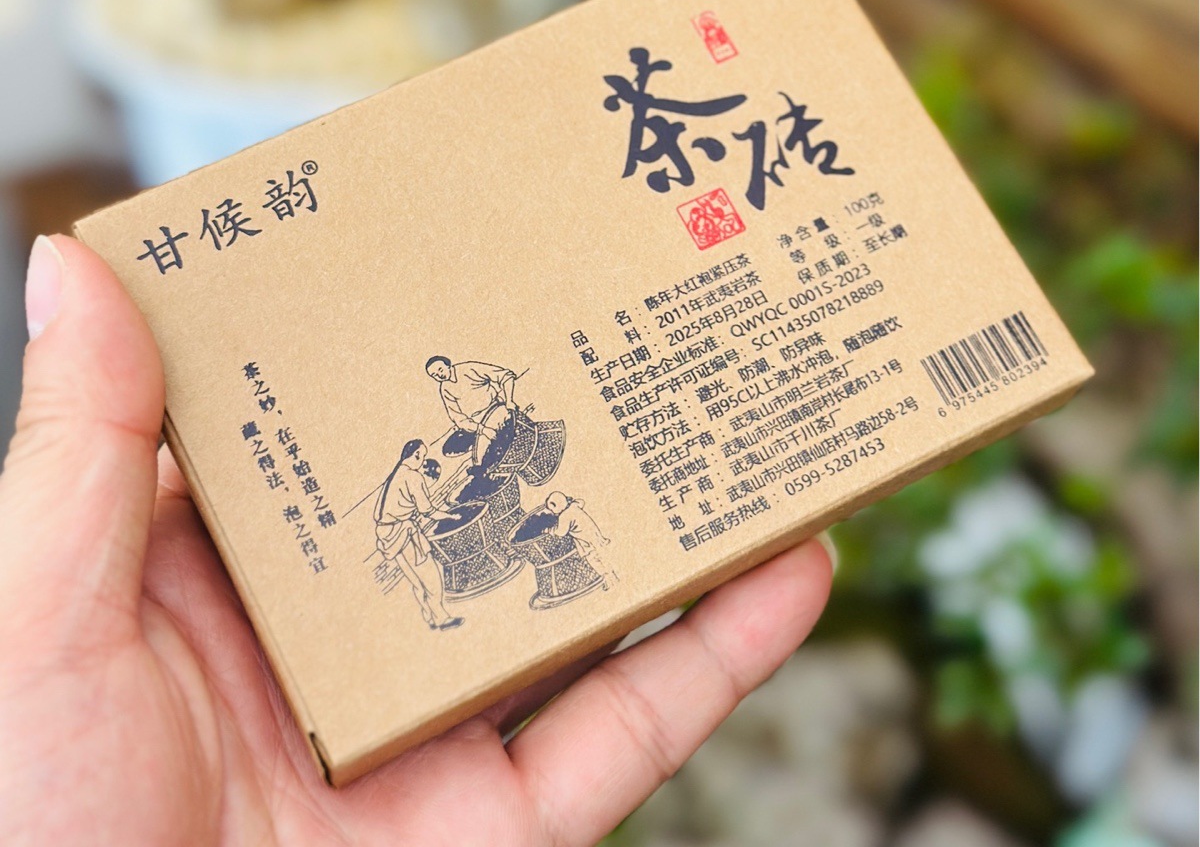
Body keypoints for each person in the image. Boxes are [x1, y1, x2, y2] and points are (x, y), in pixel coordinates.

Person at [0, 235, 833, 844]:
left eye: (458, 399)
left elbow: (492, 448)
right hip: (397, 574)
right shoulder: (423, 465)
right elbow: (431, 499)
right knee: (447, 554)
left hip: (468, 534)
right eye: (452, 407)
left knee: (519, 526)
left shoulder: (484, 419)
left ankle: (517, 573)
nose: (452, 411)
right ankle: (458, 599)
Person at [374, 438, 462, 631]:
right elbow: (428, 510)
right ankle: (441, 618)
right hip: (402, 533)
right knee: (431, 577)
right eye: (422, 457)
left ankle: (429, 616)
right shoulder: (412, 477)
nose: (422, 462)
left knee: (416, 581)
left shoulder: (395, 474)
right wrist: (451, 516)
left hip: (386, 534)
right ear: (415, 455)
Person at [425, 354, 518, 469]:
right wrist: (481, 429)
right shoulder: (445, 389)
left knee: (489, 451)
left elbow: (506, 375)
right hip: (477, 423)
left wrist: (509, 401)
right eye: (434, 375)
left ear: (448, 365)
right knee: (449, 449)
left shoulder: (468, 369)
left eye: (440, 369)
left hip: (494, 408)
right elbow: (458, 418)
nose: (439, 375)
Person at [545, 491, 617, 590]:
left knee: (595, 561)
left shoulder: (565, 516)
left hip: (588, 544)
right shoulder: (574, 506)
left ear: (555, 505)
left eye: (552, 509)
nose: (553, 513)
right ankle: (612, 577)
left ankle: (608, 580)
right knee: (602, 558)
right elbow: (581, 501)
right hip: (595, 537)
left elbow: (560, 532)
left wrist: (549, 530)